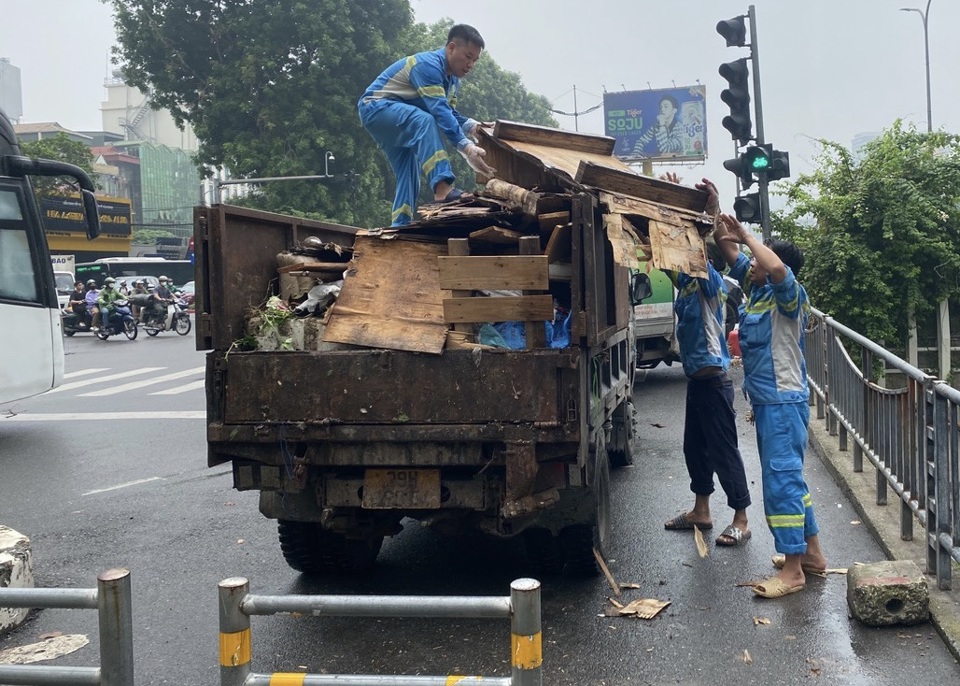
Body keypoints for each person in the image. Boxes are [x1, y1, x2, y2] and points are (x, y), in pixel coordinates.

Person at [715, 211, 827, 599]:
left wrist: (746, 235)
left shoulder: (790, 296)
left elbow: (774, 266)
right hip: (768, 403)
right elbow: (730, 252)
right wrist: (716, 213)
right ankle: (812, 555)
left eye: (757, 265)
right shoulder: (759, 293)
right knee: (791, 480)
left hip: (783, 403)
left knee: (781, 482)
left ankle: (793, 569)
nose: (752, 270)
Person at [661, 174, 751, 547]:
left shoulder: (711, 282)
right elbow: (663, 250)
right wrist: (671, 201)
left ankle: (741, 518)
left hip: (715, 381)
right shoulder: (684, 285)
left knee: (723, 449)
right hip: (697, 381)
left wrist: (710, 210)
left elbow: (696, 247)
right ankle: (702, 510)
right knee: (693, 448)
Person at [358, 23, 496, 226]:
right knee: (425, 121)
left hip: (394, 118)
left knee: (409, 170)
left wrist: (476, 129)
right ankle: (443, 189)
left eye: (475, 60)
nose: (471, 65)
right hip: (376, 108)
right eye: (468, 57)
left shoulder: (453, 81)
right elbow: (439, 111)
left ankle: (400, 225)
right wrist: (466, 148)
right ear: (451, 48)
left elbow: (449, 113)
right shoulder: (428, 66)